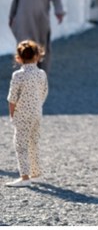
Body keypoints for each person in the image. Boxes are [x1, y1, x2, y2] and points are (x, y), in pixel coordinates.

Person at [9, 0, 65, 73]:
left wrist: (59, 11)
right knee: (23, 47)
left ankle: (42, 73)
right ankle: (23, 73)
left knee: (41, 48)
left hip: (40, 22)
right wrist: (11, 16)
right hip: (23, 21)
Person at [5, 40, 48, 187]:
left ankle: (25, 177)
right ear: (37, 56)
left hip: (22, 114)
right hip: (37, 113)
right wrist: (37, 106)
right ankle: (36, 174)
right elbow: (44, 92)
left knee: (20, 145)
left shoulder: (18, 75)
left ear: (19, 57)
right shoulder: (41, 73)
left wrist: (12, 114)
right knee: (34, 143)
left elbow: (12, 98)